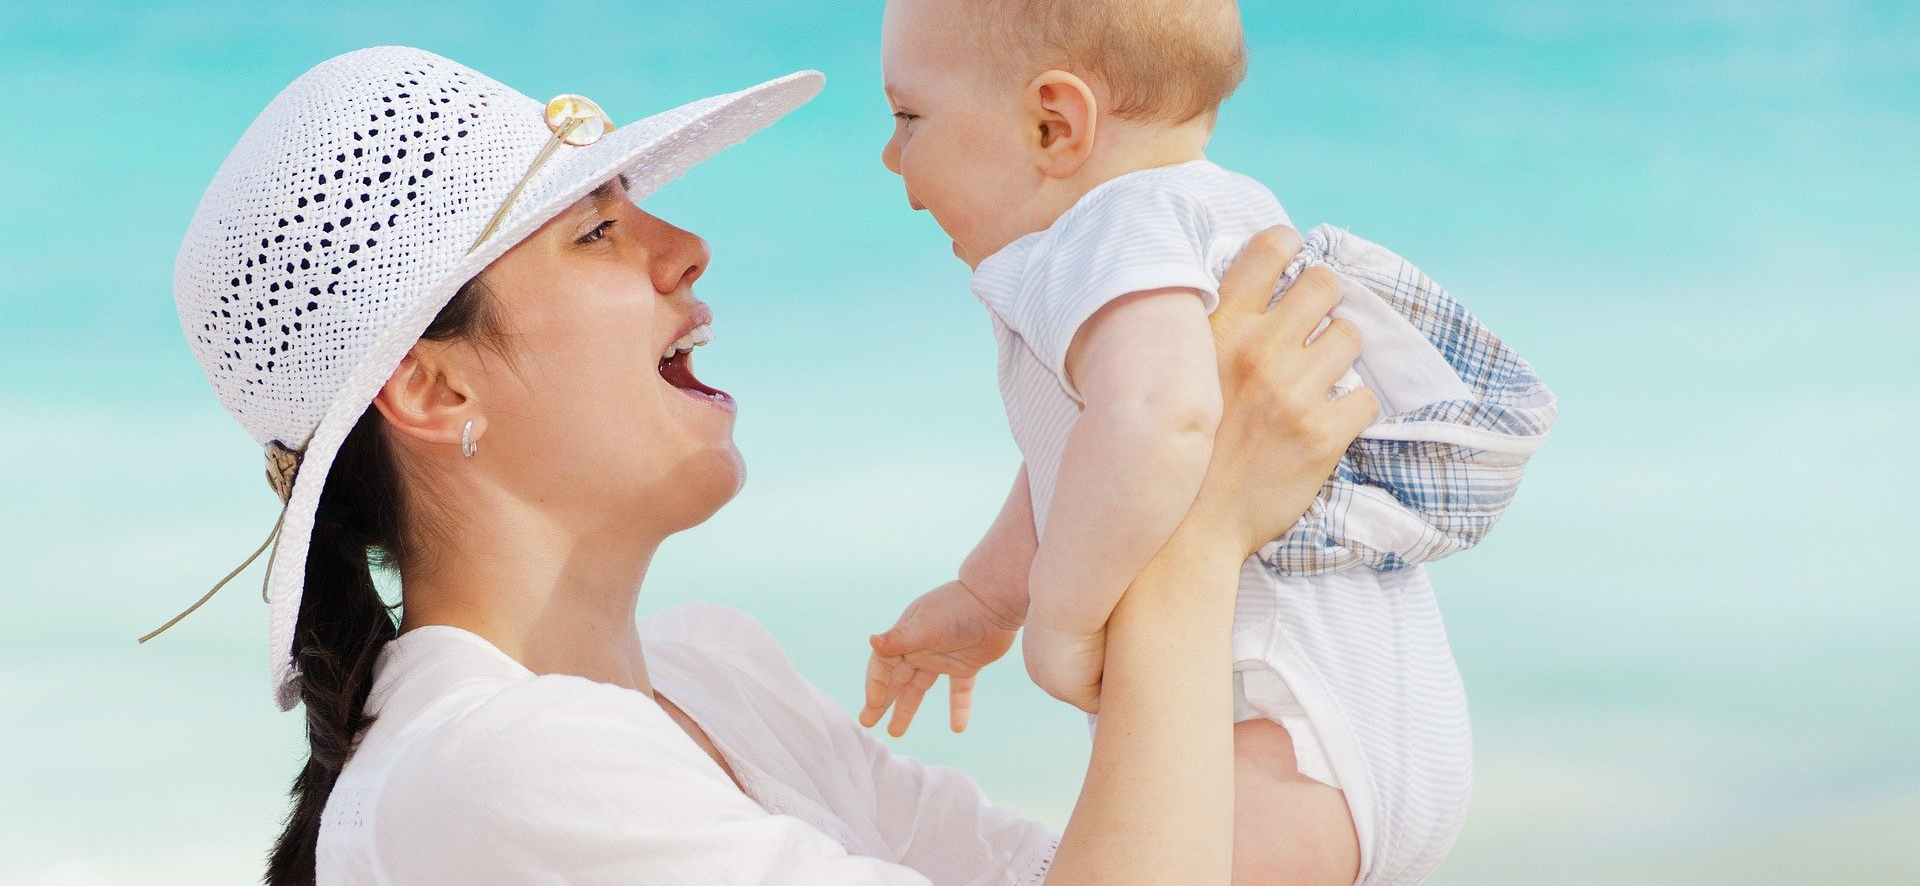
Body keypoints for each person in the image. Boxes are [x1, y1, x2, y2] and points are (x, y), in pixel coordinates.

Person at [148, 44, 1378, 886]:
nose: (688, 248)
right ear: (435, 386)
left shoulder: (712, 670)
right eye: (597, 233)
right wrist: (1196, 527)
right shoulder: (490, 769)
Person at [864, 0, 1556, 886]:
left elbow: (1162, 421)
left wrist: (1061, 620)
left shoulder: (1115, 227)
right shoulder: (1202, 217)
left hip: (1278, 721)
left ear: (1056, 125)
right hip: (1353, 721)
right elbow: (1088, 447)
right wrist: (988, 593)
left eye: (910, 116)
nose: (889, 158)